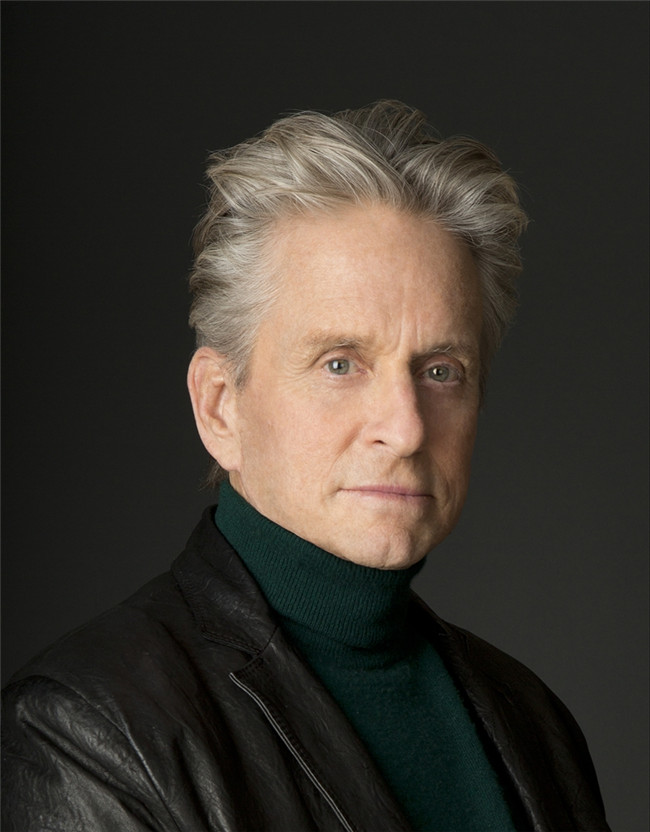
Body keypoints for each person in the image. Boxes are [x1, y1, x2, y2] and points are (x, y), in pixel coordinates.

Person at [2, 101, 610, 831]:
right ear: (220, 407)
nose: (406, 429)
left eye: (440, 371)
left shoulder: (536, 723)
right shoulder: (86, 727)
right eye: (340, 363)